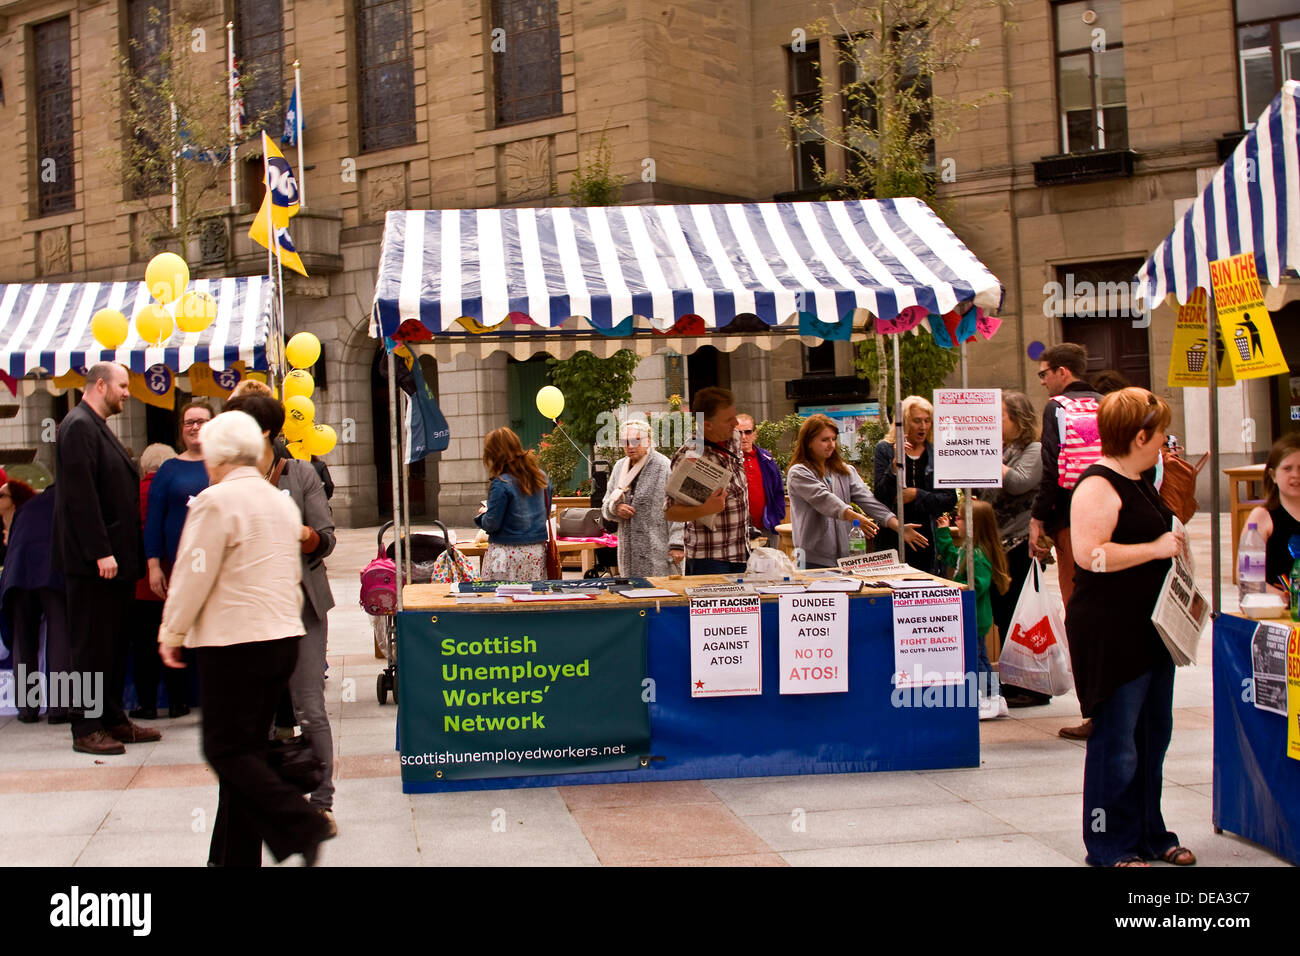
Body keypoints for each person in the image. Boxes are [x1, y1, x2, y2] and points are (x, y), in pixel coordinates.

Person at [158, 411, 333, 867]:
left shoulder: (215, 501)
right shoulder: (277, 501)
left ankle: (301, 823)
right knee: (249, 751)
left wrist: (172, 630)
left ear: (215, 456)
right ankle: (235, 857)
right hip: (281, 637)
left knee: (225, 749)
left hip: (233, 642)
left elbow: (192, 574)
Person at [1065, 387, 1193, 867]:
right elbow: (1089, 554)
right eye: (1160, 435)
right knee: (1116, 742)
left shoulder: (1138, 478)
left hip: (1150, 628)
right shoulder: (1099, 484)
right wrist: (1155, 549)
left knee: (1151, 737)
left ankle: (1150, 834)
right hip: (1112, 631)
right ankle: (1107, 844)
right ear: (1140, 435)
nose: (1165, 443)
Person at [226, 394, 338, 831]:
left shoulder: (301, 473)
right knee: (256, 715)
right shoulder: (230, 478)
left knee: (309, 706)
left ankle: (322, 800)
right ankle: (270, 798)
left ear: (266, 434)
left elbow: (326, 540)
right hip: (249, 609)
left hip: (301, 606)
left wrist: (301, 533)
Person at [51, 362, 160, 756]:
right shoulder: (78, 426)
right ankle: (86, 727)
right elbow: (81, 497)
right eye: (122, 386)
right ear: (100, 385)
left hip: (114, 562)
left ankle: (113, 717)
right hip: (93, 562)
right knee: (91, 645)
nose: (128, 393)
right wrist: (101, 551)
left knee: (113, 644)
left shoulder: (95, 426)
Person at [1028, 343, 1103, 740]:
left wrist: (1038, 517)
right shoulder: (1108, 403)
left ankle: (1093, 711)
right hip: (1110, 516)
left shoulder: (1058, 408)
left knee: (1078, 611)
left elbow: (1052, 464)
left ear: (1061, 372)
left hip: (1072, 520)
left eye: (1043, 374)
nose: (1042, 382)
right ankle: (1112, 704)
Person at [976, 391, 1047, 707]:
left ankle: (1034, 686)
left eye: (1000, 416)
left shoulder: (1034, 450)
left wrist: (983, 452)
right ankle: (1013, 680)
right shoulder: (1002, 450)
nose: (994, 422)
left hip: (1020, 546)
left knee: (1022, 616)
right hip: (996, 544)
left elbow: (1018, 482)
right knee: (1004, 615)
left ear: (1018, 420)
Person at [785, 413, 919, 568]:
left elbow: (868, 500)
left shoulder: (845, 471)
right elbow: (824, 499)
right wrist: (853, 516)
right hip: (812, 559)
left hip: (846, 559)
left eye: (833, 439)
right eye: (824, 440)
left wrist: (898, 526)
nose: (831, 444)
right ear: (808, 442)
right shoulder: (799, 472)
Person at [935, 499, 1011, 718]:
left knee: (977, 659)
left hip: (975, 615)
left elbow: (978, 583)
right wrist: (943, 535)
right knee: (980, 657)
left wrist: (960, 592)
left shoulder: (978, 554)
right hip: (972, 615)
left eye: (959, 518)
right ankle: (995, 697)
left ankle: (991, 697)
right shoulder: (969, 550)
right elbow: (953, 560)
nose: (956, 521)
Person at [0, 483, 67, 724]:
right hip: (53, 573)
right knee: (61, 636)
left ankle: (27, 709)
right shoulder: (70, 502)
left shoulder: (27, 507)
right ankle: (61, 708)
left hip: (18, 575)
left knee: (24, 640)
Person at [665, 387, 750, 575]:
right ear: (707, 425)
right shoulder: (690, 456)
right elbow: (670, 512)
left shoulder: (733, 439)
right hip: (710, 557)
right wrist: (705, 509)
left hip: (741, 551)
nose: (735, 423)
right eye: (728, 420)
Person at [132, 443, 190, 720]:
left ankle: (147, 704)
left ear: (144, 467)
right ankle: (179, 702)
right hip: (176, 575)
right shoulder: (177, 491)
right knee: (174, 638)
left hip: (144, 580)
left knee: (145, 647)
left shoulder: (133, 493)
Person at [872, 395, 956, 574]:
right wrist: (895, 465)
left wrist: (917, 494)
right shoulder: (885, 449)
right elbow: (879, 495)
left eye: (927, 421)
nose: (923, 426)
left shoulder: (937, 452)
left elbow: (949, 499)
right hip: (893, 537)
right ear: (904, 422)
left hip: (929, 539)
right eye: (917, 421)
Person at [601, 420, 683, 577]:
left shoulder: (664, 466)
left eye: (636, 441)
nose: (630, 446)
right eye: (625, 442)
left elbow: (679, 507)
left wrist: (677, 544)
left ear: (648, 441)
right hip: (628, 553)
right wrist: (616, 509)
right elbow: (606, 504)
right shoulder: (619, 467)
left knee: (660, 596)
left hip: (658, 550)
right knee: (632, 595)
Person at [474, 427, 552, 580]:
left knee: (500, 600)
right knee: (532, 599)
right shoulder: (540, 477)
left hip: (504, 554)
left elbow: (492, 524)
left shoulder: (501, 482)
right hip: (536, 552)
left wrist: (483, 516)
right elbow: (546, 512)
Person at [1246, 432, 1300, 599]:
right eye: (1287, 468)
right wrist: (1287, 598)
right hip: (1276, 613)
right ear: (1273, 475)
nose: (1295, 475)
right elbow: (1247, 580)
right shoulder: (1261, 517)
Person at [737, 413, 786, 546]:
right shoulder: (727, 460)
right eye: (738, 432)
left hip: (767, 526)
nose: (743, 437)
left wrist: (777, 514)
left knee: (769, 565)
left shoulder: (766, 458)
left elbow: (778, 489)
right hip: (737, 530)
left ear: (754, 434)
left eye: (747, 432)